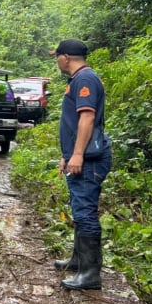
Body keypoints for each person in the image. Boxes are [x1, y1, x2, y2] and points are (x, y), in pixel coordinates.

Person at [51, 39, 112, 290]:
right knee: (79, 208)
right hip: (80, 156)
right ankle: (78, 260)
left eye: (57, 57)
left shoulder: (85, 79)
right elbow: (74, 125)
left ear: (66, 57)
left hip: (89, 159)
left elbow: (86, 118)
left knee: (85, 211)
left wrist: (78, 155)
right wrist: (68, 155)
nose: (56, 61)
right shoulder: (79, 79)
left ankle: (90, 274)